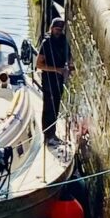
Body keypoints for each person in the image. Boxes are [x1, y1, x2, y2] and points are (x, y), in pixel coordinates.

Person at [37, 10, 71, 138]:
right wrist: (56, 69)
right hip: (48, 80)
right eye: (56, 29)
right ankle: (47, 134)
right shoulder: (46, 43)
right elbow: (39, 64)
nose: (58, 32)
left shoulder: (63, 41)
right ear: (51, 29)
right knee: (48, 107)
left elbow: (69, 58)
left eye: (60, 30)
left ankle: (53, 133)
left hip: (59, 79)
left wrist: (69, 66)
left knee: (56, 106)